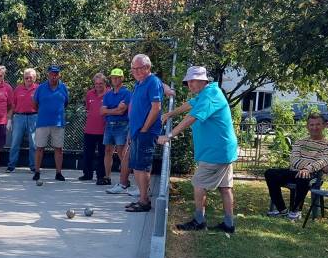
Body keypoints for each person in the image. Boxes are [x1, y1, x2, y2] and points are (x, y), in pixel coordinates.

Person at [158, 66, 239, 232]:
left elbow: (191, 118)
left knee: (198, 183)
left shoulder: (209, 96)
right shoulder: (207, 93)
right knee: (225, 187)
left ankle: (199, 221)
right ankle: (229, 224)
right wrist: (169, 114)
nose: (190, 85)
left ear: (203, 80)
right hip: (223, 149)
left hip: (215, 151)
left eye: (193, 81)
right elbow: (189, 105)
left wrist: (169, 136)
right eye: (188, 82)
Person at [263, 113, 328, 220]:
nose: (314, 127)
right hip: (294, 171)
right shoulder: (300, 142)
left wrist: (308, 169)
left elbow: (323, 160)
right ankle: (282, 210)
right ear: (307, 126)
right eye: (311, 125)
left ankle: (295, 211)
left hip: (314, 175)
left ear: (324, 125)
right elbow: (294, 160)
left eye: (318, 124)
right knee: (270, 173)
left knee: (303, 176)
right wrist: (316, 165)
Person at [124, 54, 164, 212]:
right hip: (136, 132)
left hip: (146, 132)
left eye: (139, 68)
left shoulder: (153, 82)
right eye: (133, 68)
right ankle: (141, 198)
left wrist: (145, 128)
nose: (136, 71)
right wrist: (131, 131)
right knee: (136, 166)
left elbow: (156, 108)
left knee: (143, 167)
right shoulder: (138, 83)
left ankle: (144, 201)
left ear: (148, 67)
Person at [32, 65, 69, 183]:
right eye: (52, 74)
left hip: (58, 123)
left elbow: (65, 103)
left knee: (58, 148)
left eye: (56, 74)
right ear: (48, 75)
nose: (54, 76)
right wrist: (43, 112)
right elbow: (35, 104)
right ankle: (37, 172)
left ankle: (58, 173)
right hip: (42, 122)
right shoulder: (41, 88)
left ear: (59, 75)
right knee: (39, 148)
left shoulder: (63, 87)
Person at [102, 67, 132, 192]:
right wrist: (115, 110)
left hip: (122, 125)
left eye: (117, 78)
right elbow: (102, 111)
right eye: (112, 78)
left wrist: (109, 110)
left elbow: (122, 111)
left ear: (122, 78)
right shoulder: (108, 94)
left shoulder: (127, 93)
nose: (114, 80)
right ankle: (107, 177)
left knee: (121, 152)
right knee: (108, 150)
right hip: (109, 125)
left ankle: (125, 179)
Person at [8, 68, 39, 173]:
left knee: (34, 143)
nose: (28, 79)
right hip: (19, 117)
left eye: (31, 77)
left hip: (34, 117)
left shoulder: (38, 89)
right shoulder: (18, 89)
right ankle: (11, 165)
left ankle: (34, 166)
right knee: (15, 142)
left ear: (34, 78)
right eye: (26, 77)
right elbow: (13, 105)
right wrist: (9, 119)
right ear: (23, 78)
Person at [80, 72, 108, 182]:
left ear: (105, 83)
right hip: (90, 129)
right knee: (87, 154)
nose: (98, 85)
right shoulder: (89, 94)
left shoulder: (110, 94)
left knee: (103, 154)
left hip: (104, 130)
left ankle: (101, 176)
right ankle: (87, 174)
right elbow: (88, 109)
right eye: (96, 83)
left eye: (101, 83)